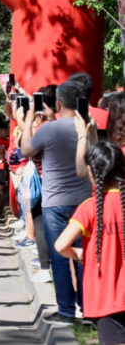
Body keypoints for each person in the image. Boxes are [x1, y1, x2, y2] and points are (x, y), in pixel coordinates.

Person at [18, 81, 92, 326]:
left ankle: (66, 310)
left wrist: (27, 120)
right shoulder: (90, 127)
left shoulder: (49, 129)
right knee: (84, 257)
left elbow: (26, 150)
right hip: (85, 202)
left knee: (60, 256)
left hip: (55, 203)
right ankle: (88, 308)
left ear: (58, 103)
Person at [55, 140, 125, 345]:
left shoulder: (90, 208)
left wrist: (78, 254)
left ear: (92, 173)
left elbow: (60, 245)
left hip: (109, 297)